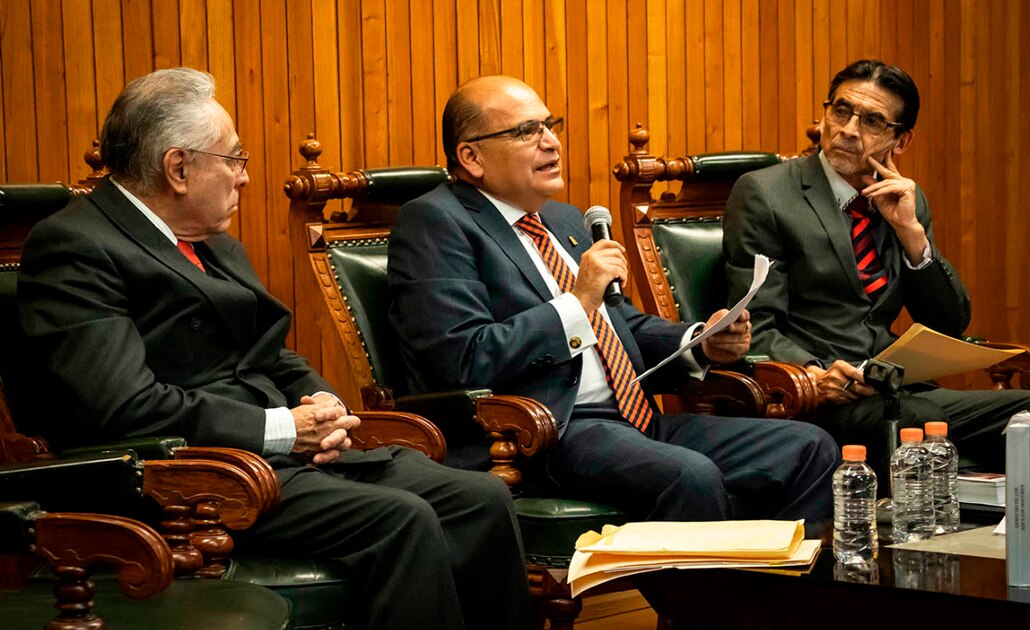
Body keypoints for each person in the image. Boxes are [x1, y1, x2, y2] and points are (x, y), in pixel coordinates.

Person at [16, 67, 533, 630]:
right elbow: (123, 407)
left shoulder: (215, 243)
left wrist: (324, 406)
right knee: (401, 518)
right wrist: (285, 428)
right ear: (178, 167)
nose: (243, 178)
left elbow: (269, 353)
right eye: (234, 159)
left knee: (480, 498)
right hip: (191, 474)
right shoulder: (76, 245)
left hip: (282, 456)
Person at [387, 75, 838, 532]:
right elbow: (464, 358)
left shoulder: (560, 218)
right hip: (546, 432)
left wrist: (700, 342)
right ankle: (701, 606)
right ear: (471, 156)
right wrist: (578, 299)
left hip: (633, 417)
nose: (551, 143)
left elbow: (621, 326)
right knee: (689, 475)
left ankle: (784, 601)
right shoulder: (435, 222)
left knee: (810, 448)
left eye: (550, 125)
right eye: (527, 132)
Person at [723, 59, 1030, 482]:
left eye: (871, 121)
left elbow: (948, 323)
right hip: (821, 399)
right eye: (841, 111)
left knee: (1022, 411)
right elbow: (757, 323)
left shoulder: (905, 202)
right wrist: (815, 374)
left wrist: (911, 232)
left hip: (897, 392)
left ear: (900, 140)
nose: (849, 130)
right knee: (919, 421)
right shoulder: (766, 193)